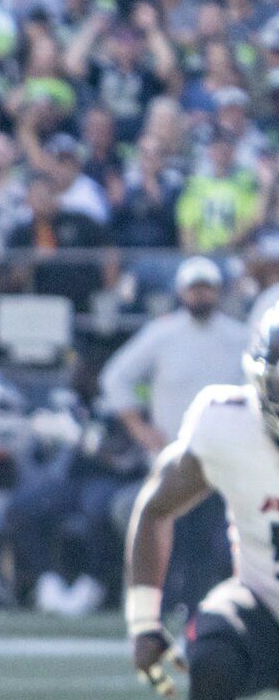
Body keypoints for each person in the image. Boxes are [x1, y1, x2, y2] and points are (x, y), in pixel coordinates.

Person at [123, 312, 279, 700]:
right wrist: (144, 625)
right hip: (263, 603)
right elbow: (155, 508)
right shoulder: (225, 422)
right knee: (209, 656)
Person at [100, 255, 251, 619]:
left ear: (218, 291)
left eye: (206, 288)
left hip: (222, 457)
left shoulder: (238, 337)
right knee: (169, 534)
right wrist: (139, 428)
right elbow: (115, 377)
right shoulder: (163, 334)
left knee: (212, 541)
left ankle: (201, 610)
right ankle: (159, 610)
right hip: (174, 454)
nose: (200, 295)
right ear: (182, 292)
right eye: (194, 288)